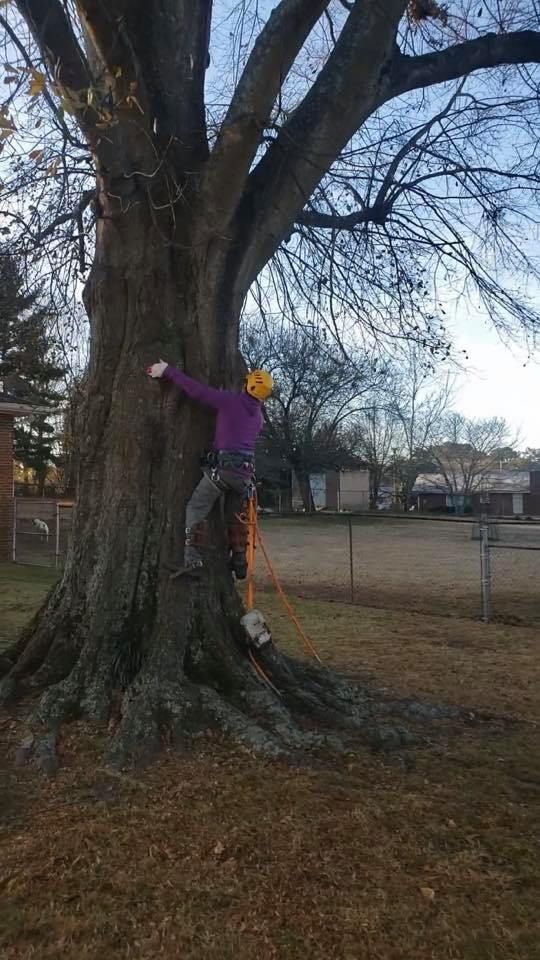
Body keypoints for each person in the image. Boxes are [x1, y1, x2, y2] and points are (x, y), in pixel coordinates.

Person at [147, 360, 273, 577]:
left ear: (248, 386)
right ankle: (240, 561)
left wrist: (168, 371)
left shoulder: (230, 402)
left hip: (224, 471)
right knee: (235, 516)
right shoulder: (259, 418)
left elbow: (197, 391)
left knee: (196, 507)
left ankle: (192, 560)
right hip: (244, 476)